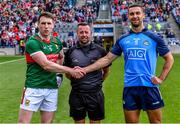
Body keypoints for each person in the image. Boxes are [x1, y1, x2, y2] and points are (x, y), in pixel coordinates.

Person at [80, 4, 174, 123]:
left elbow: (169, 59)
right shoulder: (123, 39)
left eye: (137, 13)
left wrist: (161, 78)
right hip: (130, 87)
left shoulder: (154, 38)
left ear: (143, 15)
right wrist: (85, 69)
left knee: (156, 122)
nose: (135, 16)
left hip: (150, 87)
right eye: (132, 14)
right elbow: (107, 59)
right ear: (128, 16)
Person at [18, 12, 85, 123]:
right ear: (38, 25)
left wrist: (58, 74)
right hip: (34, 87)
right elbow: (46, 65)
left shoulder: (57, 42)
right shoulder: (32, 42)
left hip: (52, 88)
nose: (46, 26)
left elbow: (60, 56)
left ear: (53, 25)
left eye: (49, 23)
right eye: (43, 23)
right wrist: (70, 71)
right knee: (23, 122)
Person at [64, 22, 110, 124]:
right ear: (77, 33)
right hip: (77, 95)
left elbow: (106, 71)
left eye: (86, 32)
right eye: (81, 32)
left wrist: (98, 82)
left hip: (95, 94)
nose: (84, 34)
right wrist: (76, 79)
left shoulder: (100, 51)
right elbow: (67, 72)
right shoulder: (70, 51)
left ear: (90, 33)